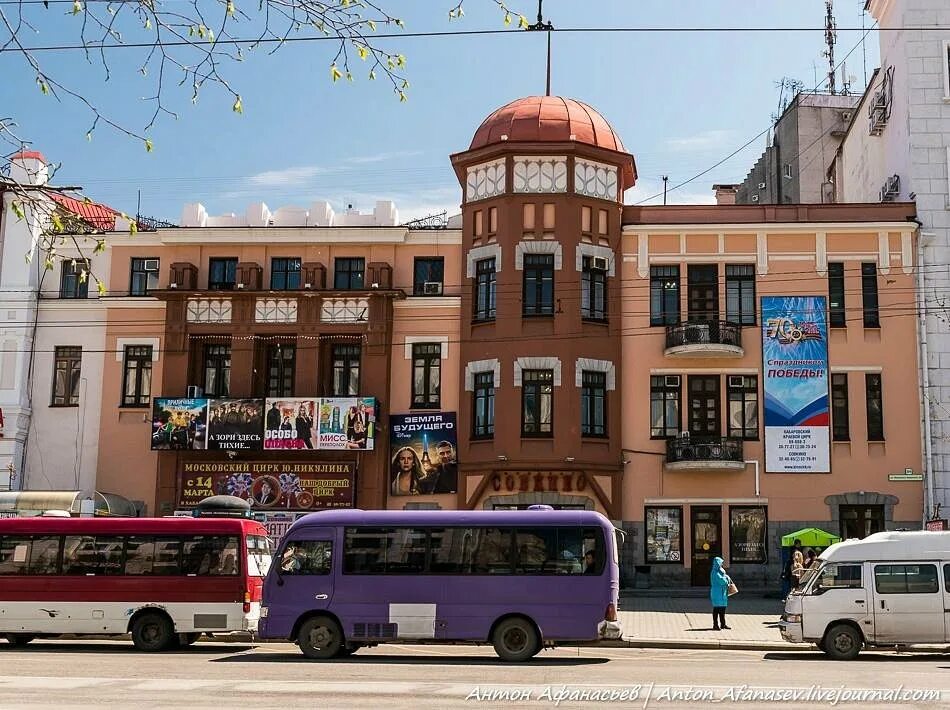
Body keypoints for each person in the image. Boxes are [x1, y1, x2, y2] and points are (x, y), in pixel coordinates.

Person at [710, 556, 731, 631]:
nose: (722, 564)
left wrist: (726, 577)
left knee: (722, 609)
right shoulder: (714, 572)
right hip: (717, 593)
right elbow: (722, 581)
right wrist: (726, 578)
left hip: (722, 592)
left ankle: (723, 624)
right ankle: (715, 625)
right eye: (721, 563)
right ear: (717, 564)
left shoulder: (720, 571)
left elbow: (724, 578)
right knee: (716, 609)